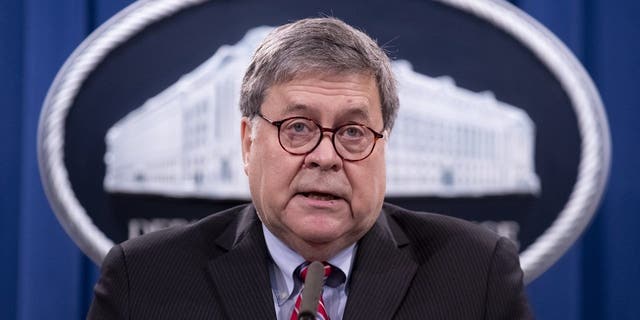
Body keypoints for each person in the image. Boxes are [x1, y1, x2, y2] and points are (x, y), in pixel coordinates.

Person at [87, 17, 532, 319]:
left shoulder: (477, 274)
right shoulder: (144, 279)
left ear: (384, 146)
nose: (325, 156)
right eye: (298, 128)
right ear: (248, 143)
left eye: (353, 132)